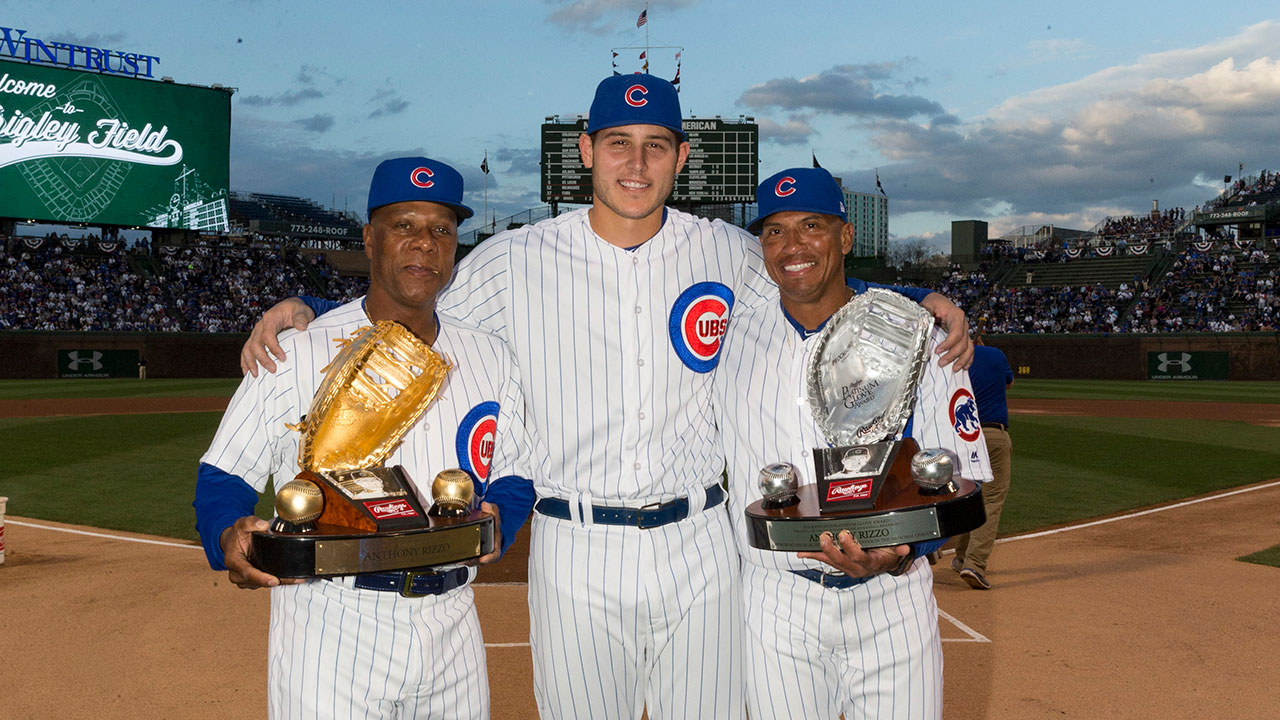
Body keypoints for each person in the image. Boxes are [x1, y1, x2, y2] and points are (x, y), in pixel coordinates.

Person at [239, 76, 973, 720]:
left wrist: (918, 298)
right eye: (618, 142)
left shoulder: (726, 249)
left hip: (701, 544)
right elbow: (410, 291)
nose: (636, 162)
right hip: (574, 544)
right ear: (586, 151)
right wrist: (305, 304)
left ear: (682, 159)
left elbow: (810, 276)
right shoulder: (511, 261)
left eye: (657, 145)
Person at [194, 157, 535, 720]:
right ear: (369, 239)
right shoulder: (295, 350)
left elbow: (517, 469)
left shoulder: (490, 355)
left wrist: (503, 516)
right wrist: (226, 535)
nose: (424, 243)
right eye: (403, 226)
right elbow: (224, 473)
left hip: (452, 620)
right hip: (330, 620)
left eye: (441, 229)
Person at [715, 167, 993, 720]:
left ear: (845, 237)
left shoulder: (919, 333)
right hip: (775, 600)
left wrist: (902, 550)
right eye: (774, 231)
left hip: (891, 600)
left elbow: (965, 474)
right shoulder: (726, 337)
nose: (792, 246)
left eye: (811, 226)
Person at [950, 336, 1014, 590]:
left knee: (967, 498)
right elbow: (1009, 384)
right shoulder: (996, 355)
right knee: (992, 499)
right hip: (993, 434)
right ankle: (975, 564)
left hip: (963, 439)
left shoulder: (952, 361)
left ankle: (959, 555)